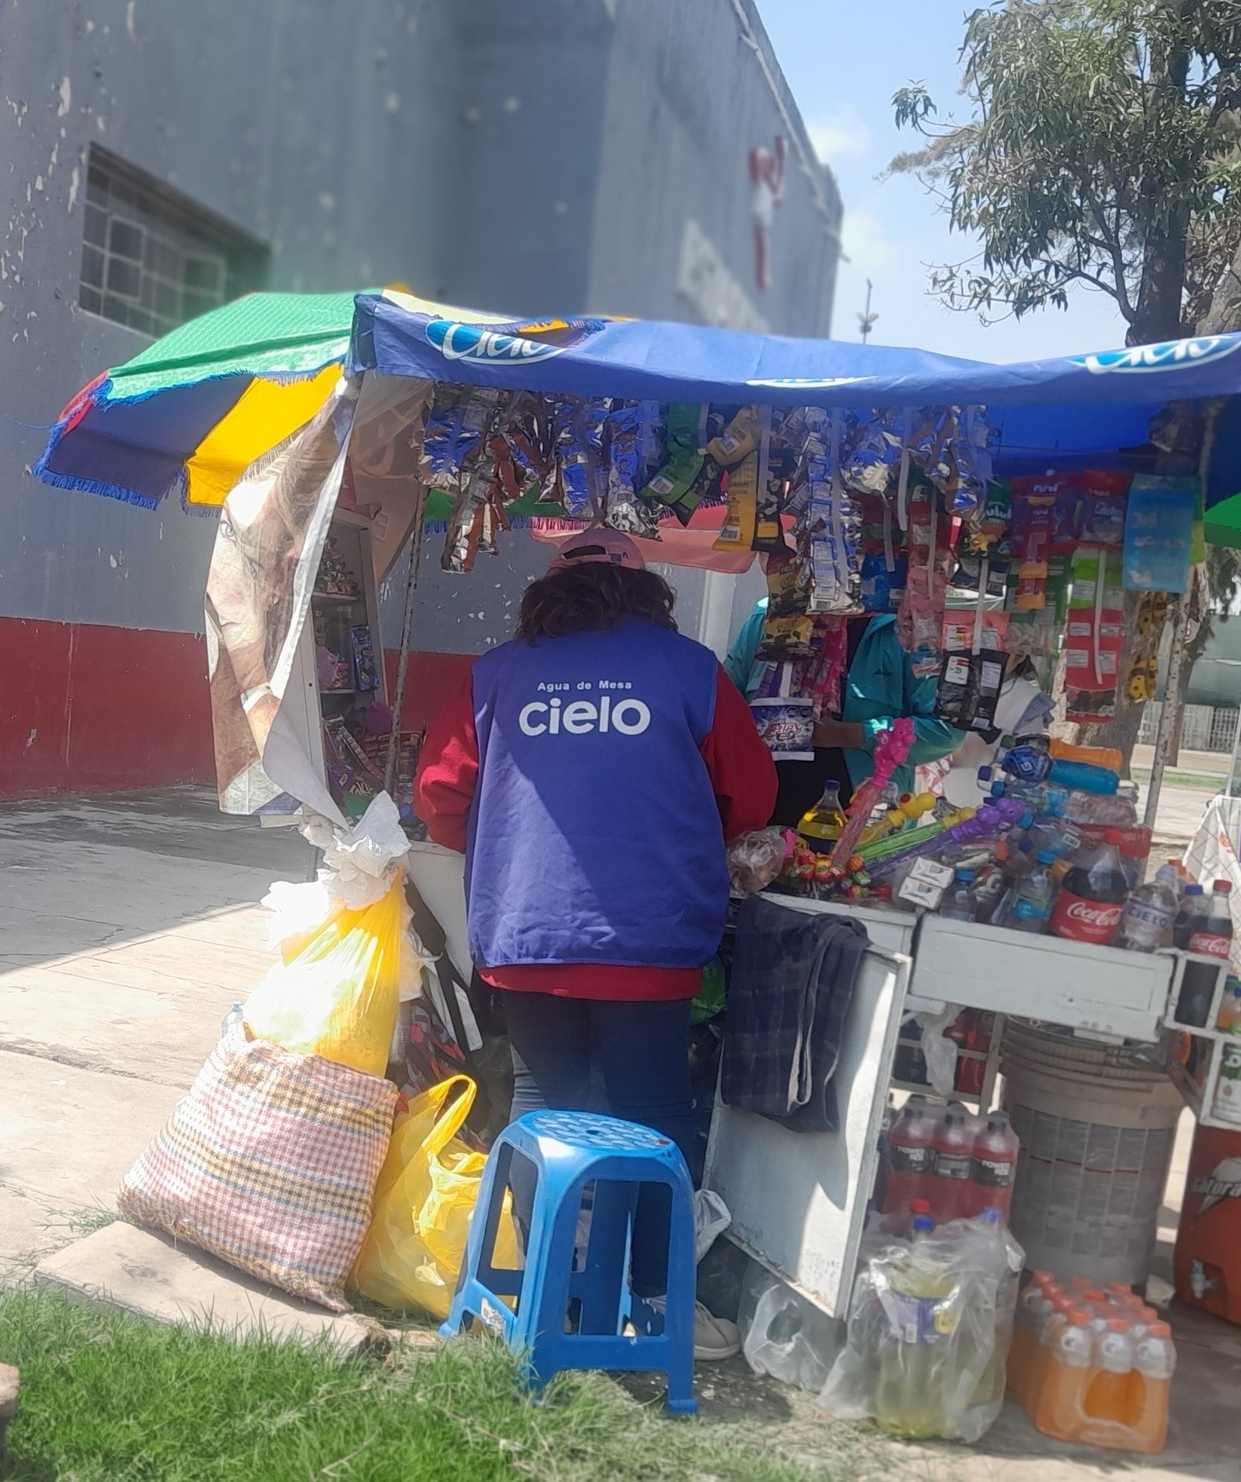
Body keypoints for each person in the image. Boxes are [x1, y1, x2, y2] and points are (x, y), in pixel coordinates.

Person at [414, 528, 776, 1361]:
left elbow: (438, 796)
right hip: (649, 935)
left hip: (526, 933)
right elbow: (750, 795)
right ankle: (658, 1299)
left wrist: (511, 844)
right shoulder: (690, 671)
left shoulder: (496, 673)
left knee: (543, 1101)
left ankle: (541, 1289)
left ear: (547, 592)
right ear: (650, 595)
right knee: (654, 1112)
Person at [724, 602, 965, 829]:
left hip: (860, 823)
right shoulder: (769, 614)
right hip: (758, 812)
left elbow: (946, 730)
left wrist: (851, 734)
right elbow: (723, 704)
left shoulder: (906, 630)